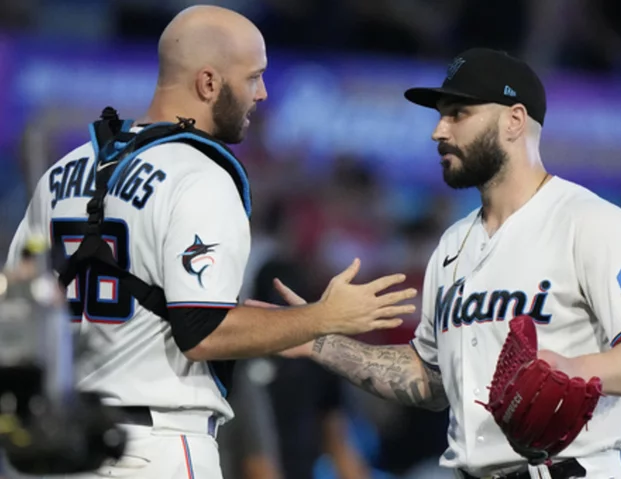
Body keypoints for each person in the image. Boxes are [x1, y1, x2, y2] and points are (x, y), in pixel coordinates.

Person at [3, 5, 416, 479]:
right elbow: (201, 331)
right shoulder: (201, 174)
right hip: (150, 448)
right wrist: (322, 317)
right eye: (254, 77)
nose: (262, 93)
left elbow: (19, 311)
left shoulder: (64, 170)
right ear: (208, 83)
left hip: (54, 444)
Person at [248, 48, 621, 479]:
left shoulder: (590, 222)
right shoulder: (454, 245)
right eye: (441, 114)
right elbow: (431, 379)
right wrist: (314, 340)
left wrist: (576, 370)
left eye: (458, 113)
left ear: (514, 120)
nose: (438, 131)